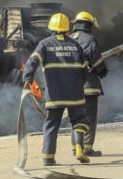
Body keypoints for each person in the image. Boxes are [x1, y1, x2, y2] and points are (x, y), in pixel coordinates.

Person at [22, 13, 90, 166]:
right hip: (75, 93)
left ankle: (48, 157)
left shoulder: (45, 44)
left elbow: (32, 61)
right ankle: (79, 147)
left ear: (51, 29)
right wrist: (79, 84)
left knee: (51, 124)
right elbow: (84, 70)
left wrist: (27, 79)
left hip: (54, 93)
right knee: (79, 120)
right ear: (67, 29)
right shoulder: (75, 45)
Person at [70, 11, 108, 157]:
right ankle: (86, 148)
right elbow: (95, 57)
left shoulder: (69, 38)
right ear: (88, 25)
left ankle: (76, 147)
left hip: (72, 86)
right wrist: (101, 69)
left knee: (76, 117)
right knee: (89, 117)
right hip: (88, 86)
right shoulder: (89, 38)